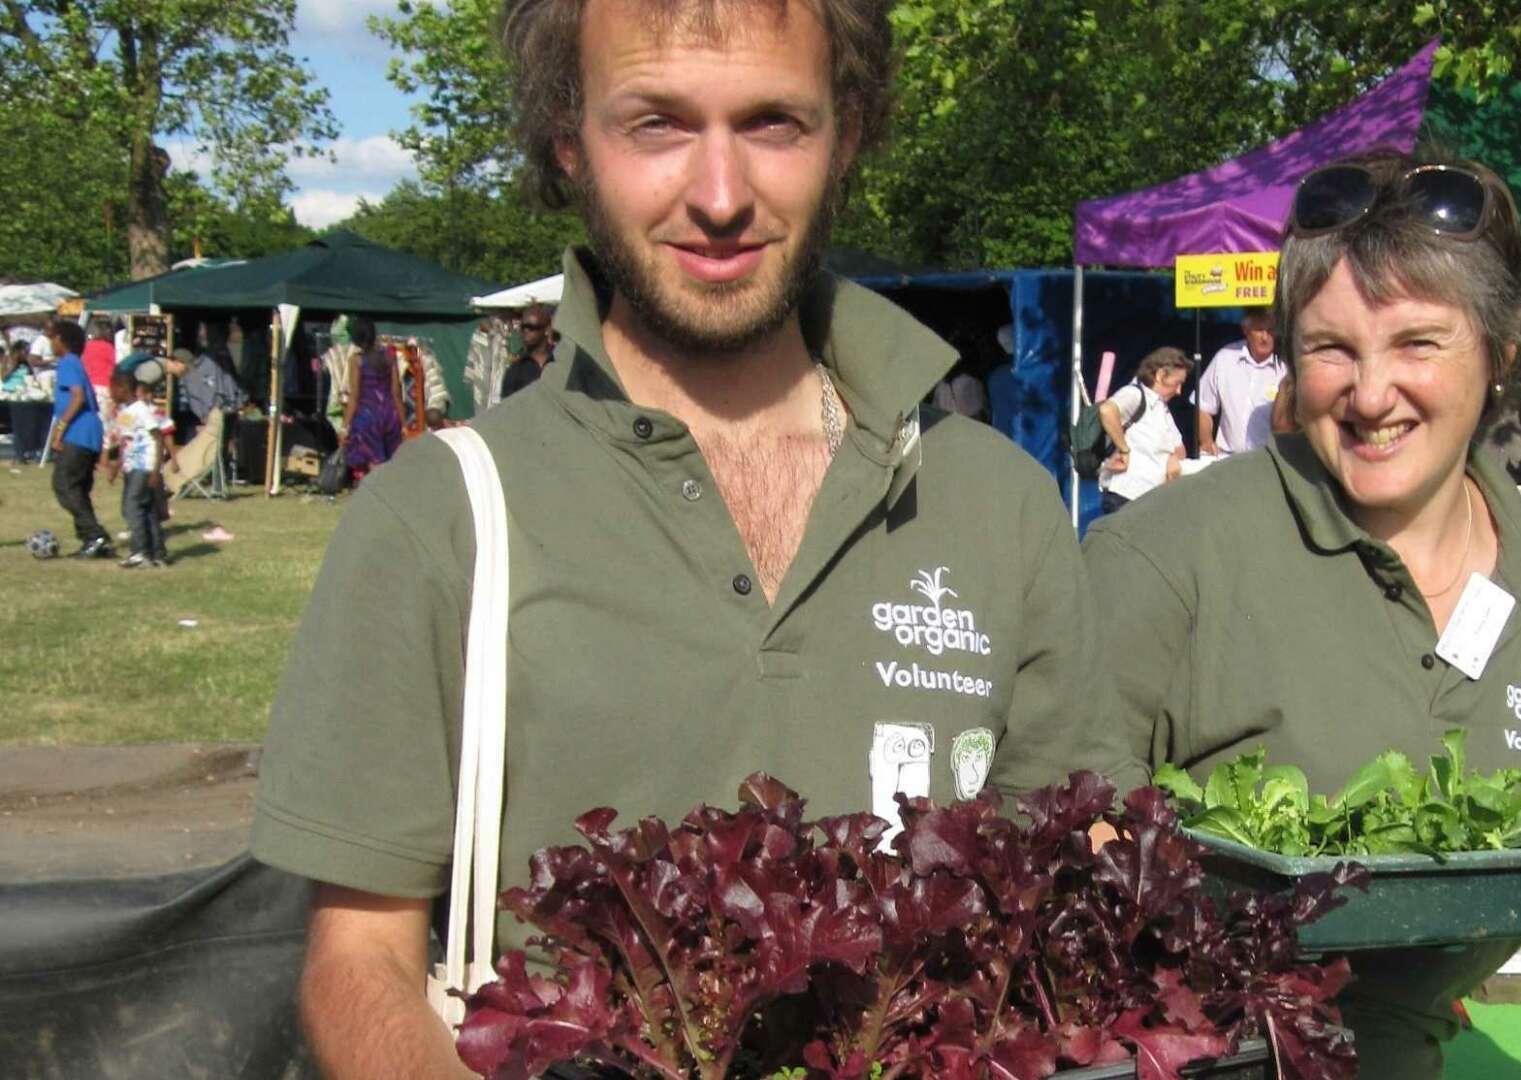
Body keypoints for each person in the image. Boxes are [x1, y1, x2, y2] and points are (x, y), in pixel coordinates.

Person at [250, 4, 1123, 1077]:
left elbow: (1074, 899)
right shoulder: (438, 518)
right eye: (657, 124)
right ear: (570, 138)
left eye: (773, 125)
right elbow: (359, 961)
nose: (720, 197)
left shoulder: (1000, 504)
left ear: (847, 134)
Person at [1049, 150, 1521, 1078]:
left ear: (1499, 353)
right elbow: (1066, 837)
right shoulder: (1168, 557)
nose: (1371, 395)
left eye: (1419, 343)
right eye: (1332, 347)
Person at [1096, 346, 1191, 513]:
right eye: (1177, 383)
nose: (1179, 391)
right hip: (1126, 496)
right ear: (1161, 375)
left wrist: (1173, 459)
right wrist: (1124, 450)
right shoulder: (1135, 395)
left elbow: (1179, 447)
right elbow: (1107, 411)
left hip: (1150, 498)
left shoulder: (1161, 408)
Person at [47, 320, 113, 558]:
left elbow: (78, 397)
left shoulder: (68, 363)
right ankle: (93, 541)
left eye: (52, 338)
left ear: (62, 341)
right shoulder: (74, 363)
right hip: (90, 432)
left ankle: (95, 534)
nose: (50, 343)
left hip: (79, 433)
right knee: (79, 488)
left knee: (64, 485)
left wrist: (60, 430)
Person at [104, 369, 177, 568]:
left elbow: (158, 437)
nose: (111, 394)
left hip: (143, 468)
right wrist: (117, 466)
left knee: (132, 509)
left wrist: (156, 470)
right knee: (148, 510)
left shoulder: (141, 410)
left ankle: (140, 552)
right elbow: (126, 442)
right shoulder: (126, 413)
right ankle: (158, 553)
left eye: (113, 389)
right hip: (132, 467)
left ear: (123, 388)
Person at [1196, 307, 1286, 456]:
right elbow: (1203, 406)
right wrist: (1206, 442)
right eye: (1259, 330)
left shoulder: (1286, 366)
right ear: (1246, 330)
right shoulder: (1225, 358)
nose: (1265, 337)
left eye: (1270, 330)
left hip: (1268, 459)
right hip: (1227, 458)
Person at [339, 317, 404, 484]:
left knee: (371, 463)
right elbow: (396, 393)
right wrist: (403, 423)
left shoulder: (357, 360)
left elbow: (354, 398)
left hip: (367, 417)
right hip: (390, 415)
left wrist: (344, 428)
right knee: (390, 462)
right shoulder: (390, 356)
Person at [4, 338, 55, 464]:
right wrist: (14, 363)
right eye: (25, 352)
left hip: (25, 395)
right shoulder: (9, 361)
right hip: (8, 394)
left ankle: (33, 449)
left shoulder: (27, 365)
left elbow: (32, 377)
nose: (27, 354)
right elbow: (4, 376)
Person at [497, 301, 555, 398]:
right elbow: (507, 408)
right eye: (523, 327)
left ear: (547, 330)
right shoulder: (515, 370)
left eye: (531, 327)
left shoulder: (562, 362)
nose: (526, 331)